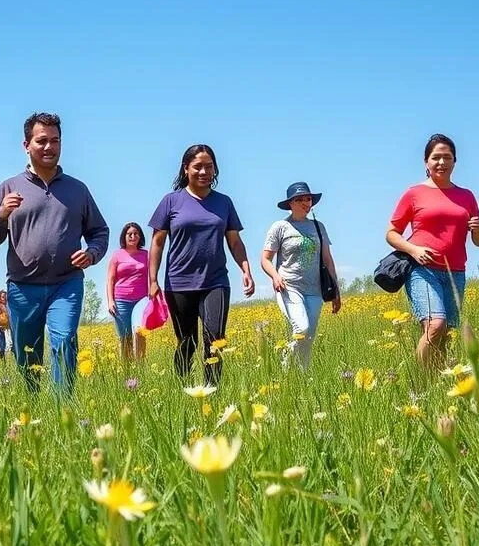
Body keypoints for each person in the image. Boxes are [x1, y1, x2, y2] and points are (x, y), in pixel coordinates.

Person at [0, 112, 110, 393]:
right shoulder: (9, 187)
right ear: (26, 145)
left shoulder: (78, 189)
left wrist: (91, 253)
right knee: (27, 357)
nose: (49, 147)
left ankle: (64, 409)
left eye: (55, 140)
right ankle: (33, 408)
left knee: (64, 343)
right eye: (41, 141)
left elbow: (100, 232)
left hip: (67, 284)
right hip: (23, 287)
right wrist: (2, 214)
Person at [147, 144, 255, 387]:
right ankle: (183, 389)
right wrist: (152, 280)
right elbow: (157, 242)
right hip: (179, 283)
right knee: (187, 342)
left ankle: (211, 391)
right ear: (186, 168)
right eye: (198, 167)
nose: (204, 172)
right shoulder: (171, 201)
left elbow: (235, 241)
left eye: (209, 167)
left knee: (215, 340)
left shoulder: (224, 202)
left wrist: (245, 268)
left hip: (215, 281)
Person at [386, 133, 479, 371]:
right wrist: (414, 249)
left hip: (455, 273)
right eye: (436, 157)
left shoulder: (466, 196)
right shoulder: (414, 193)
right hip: (422, 270)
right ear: (426, 162)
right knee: (435, 325)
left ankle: (437, 382)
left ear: (455, 161)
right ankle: (420, 384)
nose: (442, 162)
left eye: (447, 157)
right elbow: (391, 233)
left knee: (447, 335)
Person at [260, 182, 342, 370]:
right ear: (290, 203)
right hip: (289, 287)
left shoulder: (318, 226)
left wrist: (336, 290)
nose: (306, 203)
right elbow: (265, 259)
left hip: (315, 290)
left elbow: (328, 259)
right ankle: (286, 361)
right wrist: (275, 276)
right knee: (302, 329)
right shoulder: (280, 227)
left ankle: (302, 376)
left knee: (308, 338)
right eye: (300, 200)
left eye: (308, 199)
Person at [106, 222, 150, 363]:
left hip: (141, 300)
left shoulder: (146, 255)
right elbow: (110, 279)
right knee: (125, 338)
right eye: (129, 234)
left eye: (136, 234)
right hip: (121, 300)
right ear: (124, 237)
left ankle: (140, 367)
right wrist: (110, 301)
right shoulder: (117, 255)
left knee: (140, 332)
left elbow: (152, 276)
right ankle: (127, 371)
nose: (132, 236)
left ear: (140, 236)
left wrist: (153, 297)